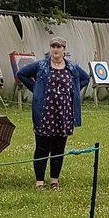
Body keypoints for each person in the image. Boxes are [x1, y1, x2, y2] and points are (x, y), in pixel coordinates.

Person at [17, 37, 90, 190]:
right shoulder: (41, 65)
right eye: (53, 46)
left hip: (64, 114)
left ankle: (54, 181)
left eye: (59, 47)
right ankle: (39, 182)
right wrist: (35, 88)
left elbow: (86, 78)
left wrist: (73, 91)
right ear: (50, 48)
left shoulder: (72, 68)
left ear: (64, 49)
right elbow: (21, 74)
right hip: (45, 113)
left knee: (58, 148)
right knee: (42, 147)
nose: (56, 50)